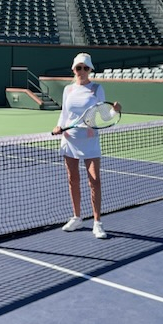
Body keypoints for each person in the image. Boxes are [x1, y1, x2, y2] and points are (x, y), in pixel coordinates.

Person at [52, 53, 121, 239]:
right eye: (78, 68)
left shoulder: (97, 89)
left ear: (90, 70)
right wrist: (59, 126)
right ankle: (76, 217)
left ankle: (97, 223)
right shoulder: (68, 90)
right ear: (74, 69)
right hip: (69, 139)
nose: (82, 71)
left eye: (85, 68)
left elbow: (105, 116)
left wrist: (114, 111)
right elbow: (64, 114)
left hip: (90, 140)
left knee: (94, 181)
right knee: (72, 179)